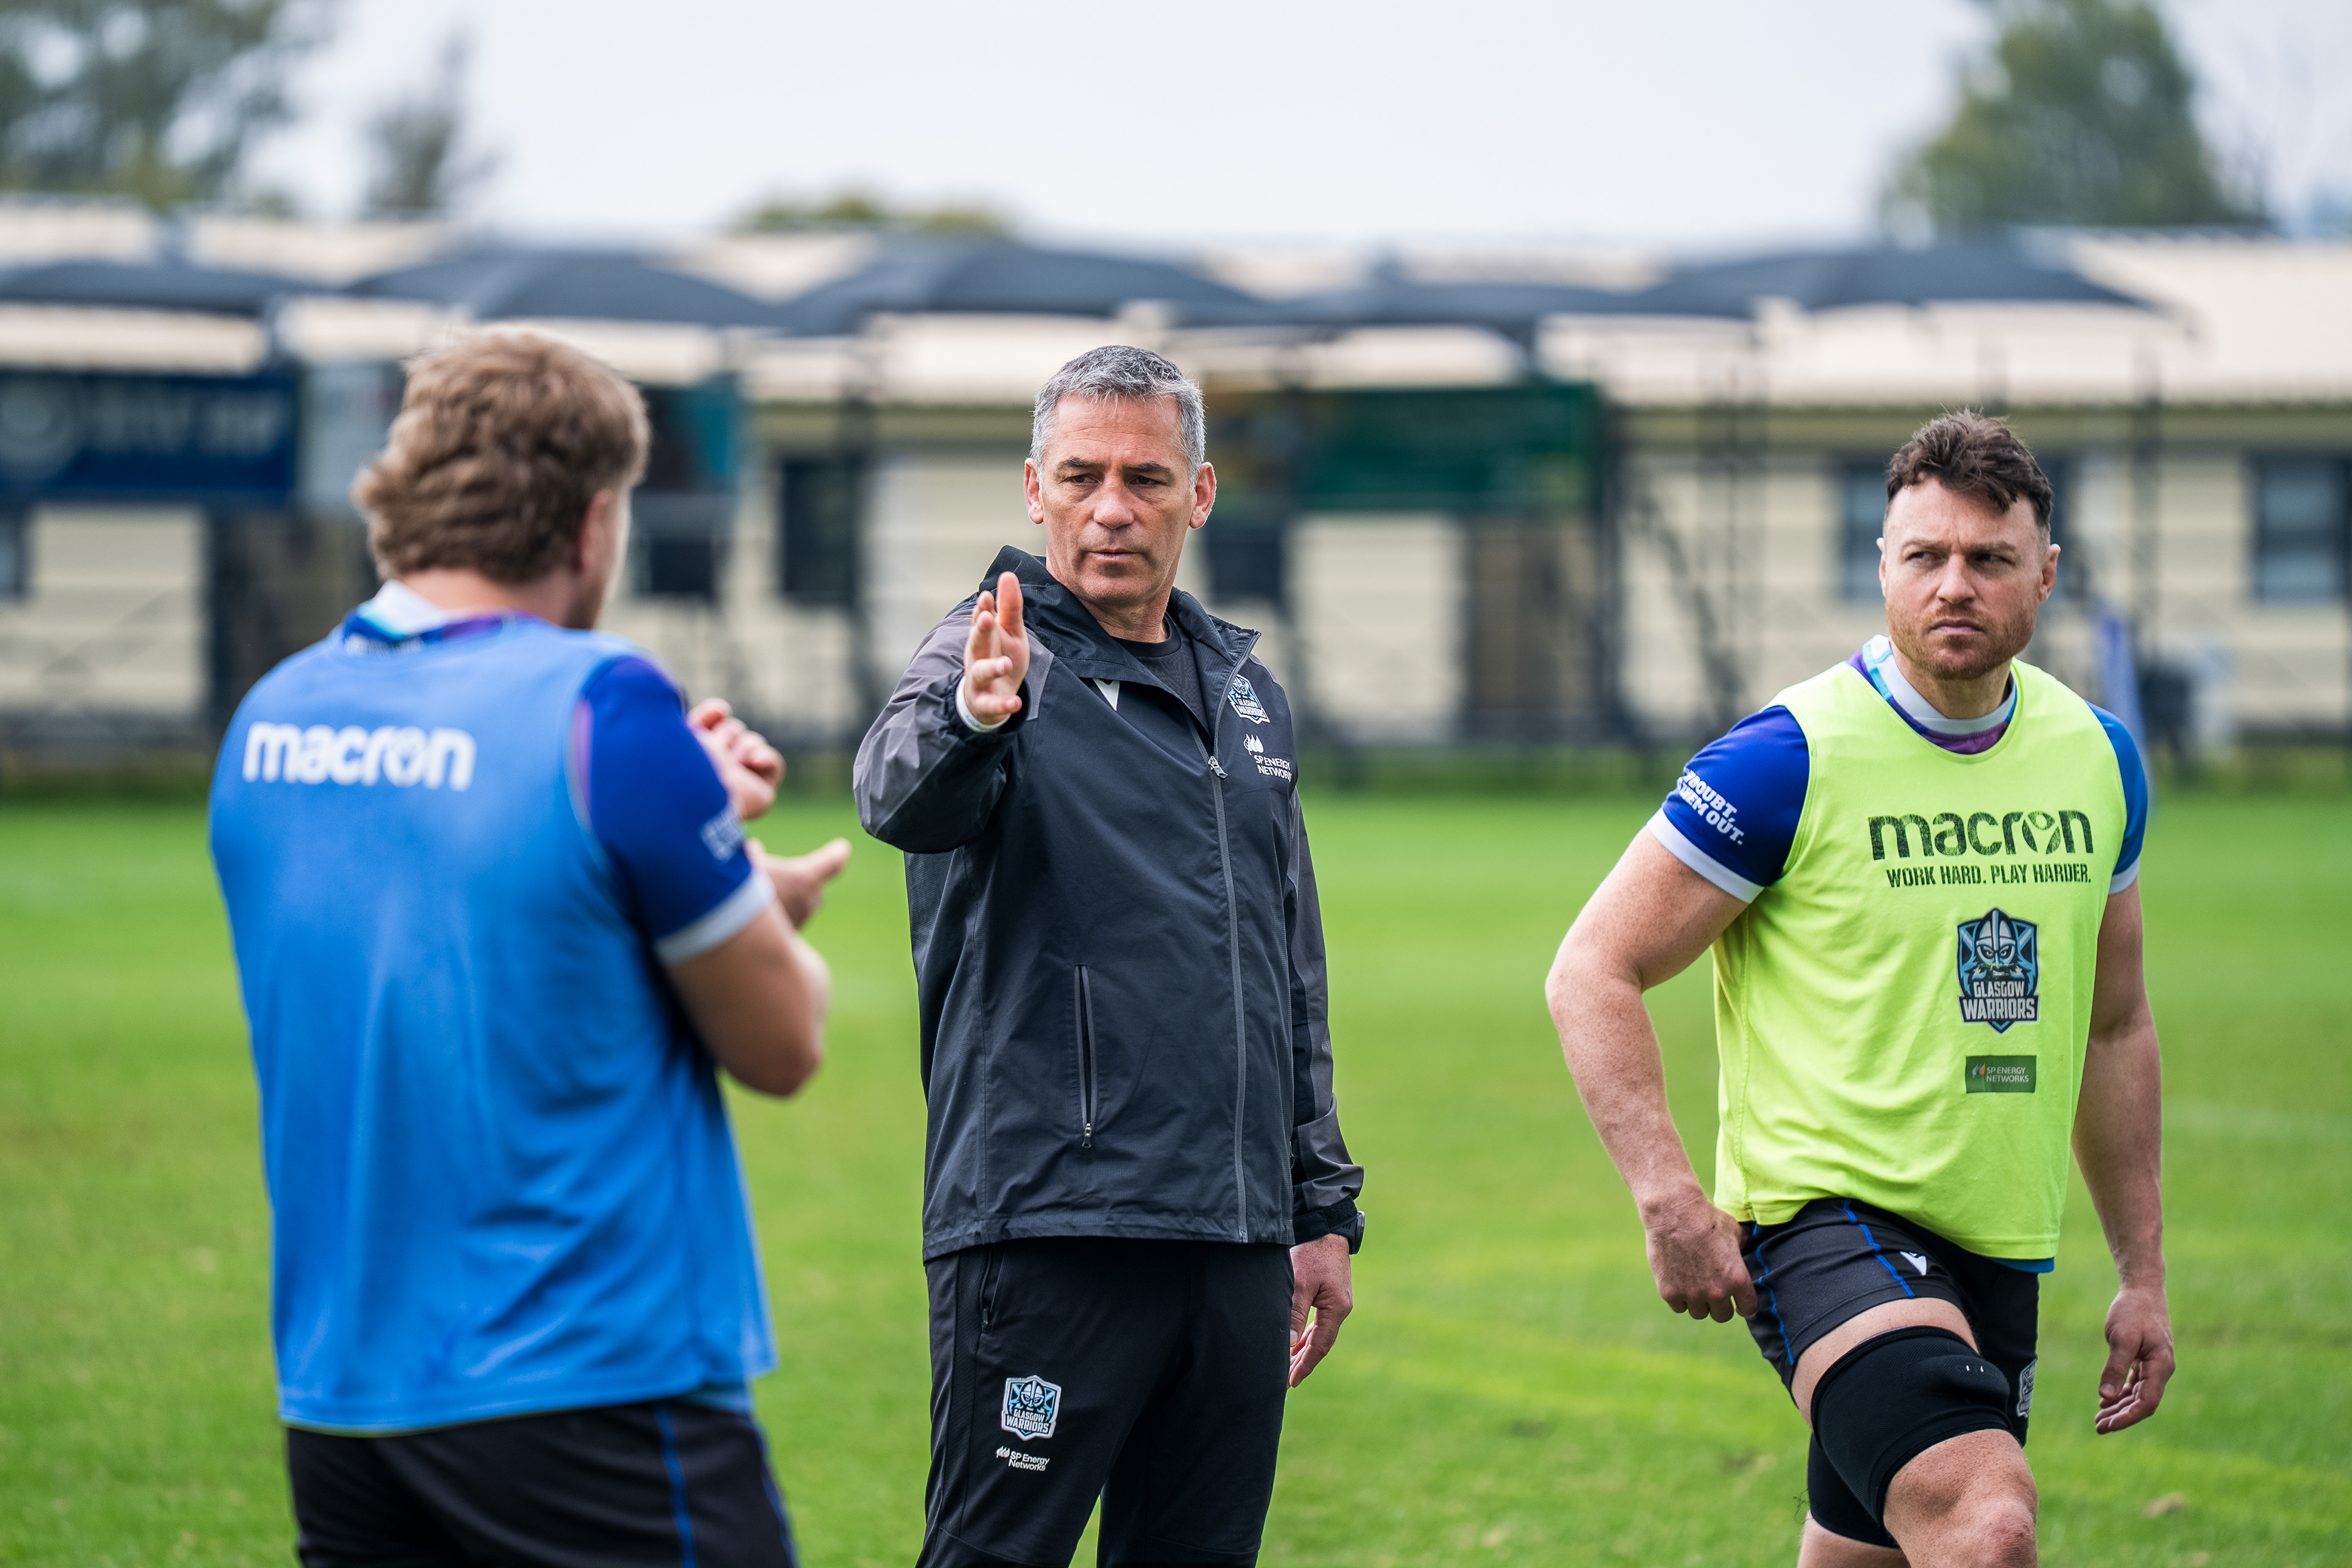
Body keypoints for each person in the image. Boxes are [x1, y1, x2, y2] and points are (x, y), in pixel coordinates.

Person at [209, 330, 850, 1567]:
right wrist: (753, 892)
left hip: (344, 1400)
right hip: (589, 1383)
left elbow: (485, 893)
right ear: (594, 520)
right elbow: (783, 1040)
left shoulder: (272, 717)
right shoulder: (605, 703)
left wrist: (698, 843)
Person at [1545, 412, 2171, 1567]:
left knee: (1870, 1553)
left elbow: (2116, 1025)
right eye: (1924, 555)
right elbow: (1592, 968)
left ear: (2047, 573)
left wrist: (2144, 1274)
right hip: (1822, 1223)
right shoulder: (1785, 757)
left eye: (1989, 558)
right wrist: (1667, 1195)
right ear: (1882, 565)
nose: (1954, 584)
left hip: (2000, 1241)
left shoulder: (2101, 759)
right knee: (1987, 1524)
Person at [854, 344, 1365, 1568]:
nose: (1112, 508)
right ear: (1037, 489)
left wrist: (1317, 1205)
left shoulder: (1247, 692)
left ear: (1200, 494)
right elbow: (896, 792)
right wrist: (973, 719)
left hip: (1234, 1237)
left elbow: (1286, 967)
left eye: (1146, 478)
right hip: (1053, 1225)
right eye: (1082, 476)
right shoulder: (989, 651)